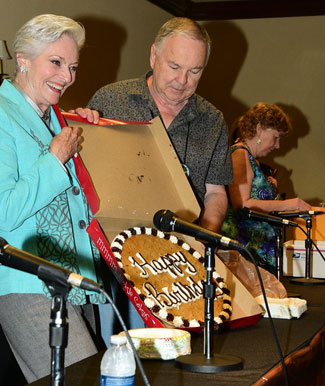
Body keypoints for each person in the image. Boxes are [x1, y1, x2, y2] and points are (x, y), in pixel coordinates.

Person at [87, 17, 233, 342]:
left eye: (195, 71)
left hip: (179, 265)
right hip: (115, 262)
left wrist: (201, 243)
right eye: (174, 66)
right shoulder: (111, 100)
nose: (182, 80)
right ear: (153, 56)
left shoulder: (213, 120)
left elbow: (216, 193)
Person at [0, 14, 105, 383]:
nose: (67, 76)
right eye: (56, 62)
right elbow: (3, 212)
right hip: (27, 283)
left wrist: (93, 133)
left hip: (72, 280)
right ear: (23, 58)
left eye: (73, 66)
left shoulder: (54, 118)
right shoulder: (1, 112)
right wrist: (56, 157)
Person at [221, 102, 311, 274]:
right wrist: (291, 204)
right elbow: (242, 205)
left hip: (257, 254)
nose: (277, 146)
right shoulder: (239, 155)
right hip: (246, 254)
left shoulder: (252, 160)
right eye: (276, 137)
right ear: (259, 128)